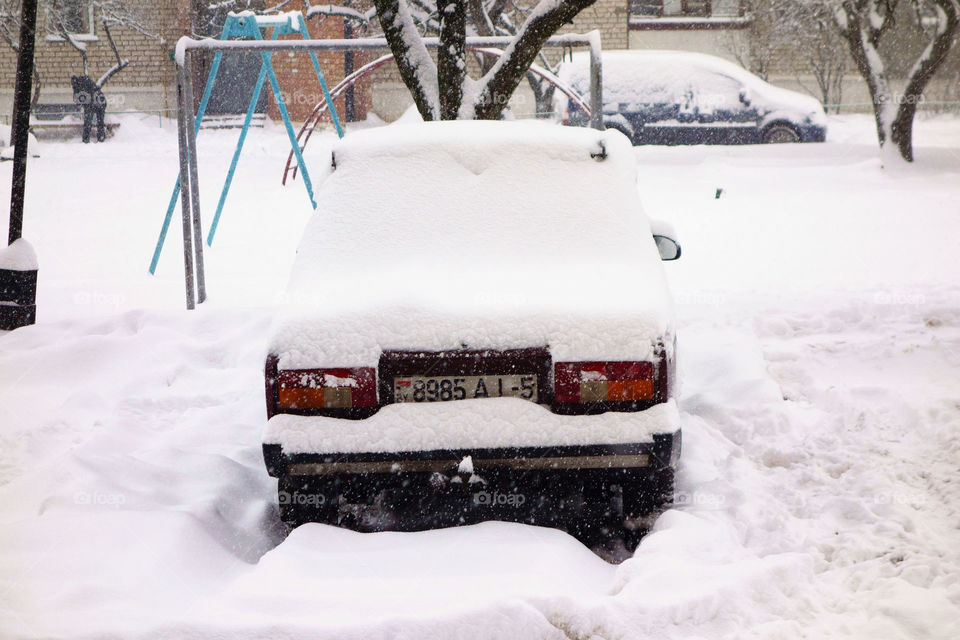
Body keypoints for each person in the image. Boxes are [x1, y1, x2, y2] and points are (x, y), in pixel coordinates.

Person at [71, 75, 107, 143]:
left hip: (95, 102)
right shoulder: (84, 82)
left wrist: (82, 104)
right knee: (99, 122)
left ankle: (86, 139)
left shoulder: (81, 84)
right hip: (100, 101)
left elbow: (78, 99)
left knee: (88, 122)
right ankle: (100, 138)